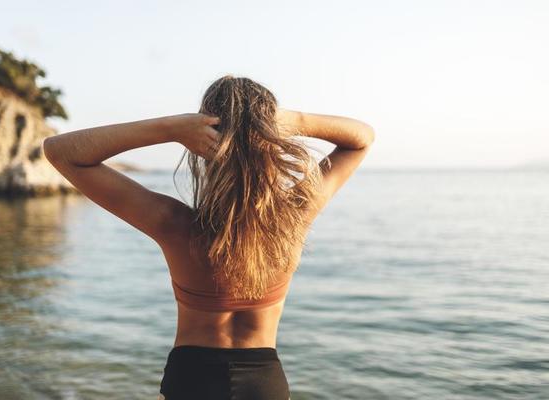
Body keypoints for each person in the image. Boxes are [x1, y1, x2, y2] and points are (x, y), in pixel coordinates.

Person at [43, 75, 375, 400]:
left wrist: (172, 129)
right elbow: (362, 138)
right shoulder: (293, 216)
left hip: (191, 380)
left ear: (202, 143)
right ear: (270, 136)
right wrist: (294, 121)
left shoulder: (173, 224)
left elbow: (61, 151)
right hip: (263, 384)